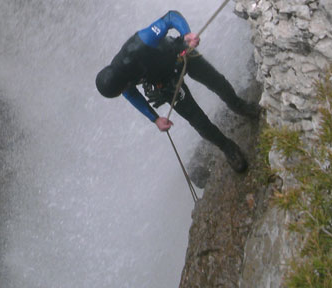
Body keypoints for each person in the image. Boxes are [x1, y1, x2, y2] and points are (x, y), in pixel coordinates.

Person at [95, 9, 259, 173]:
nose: (124, 90)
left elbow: (170, 17)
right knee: (197, 119)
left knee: (217, 82)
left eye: (122, 89)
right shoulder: (121, 83)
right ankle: (227, 147)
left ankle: (239, 106)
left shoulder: (139, 44)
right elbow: (131, 95)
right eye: (122, 90)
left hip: (179, 54)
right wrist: (155, 119)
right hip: (163, 82)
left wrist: (186, 34)